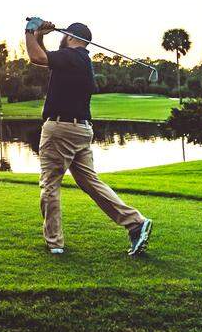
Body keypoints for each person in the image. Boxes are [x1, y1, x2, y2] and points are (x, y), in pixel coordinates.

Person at [25, 19, 152, 256]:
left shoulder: (70, 57)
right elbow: (45, 58)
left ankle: (54, 243)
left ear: (72, 37)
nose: (61, 38)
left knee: (50, 185)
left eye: (64, 35)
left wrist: (30, 30)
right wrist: (41, 37)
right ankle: (135, 223)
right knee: (90, 182)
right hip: (80, 131)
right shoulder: (80, 61)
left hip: (60, 129)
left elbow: (37, 58)